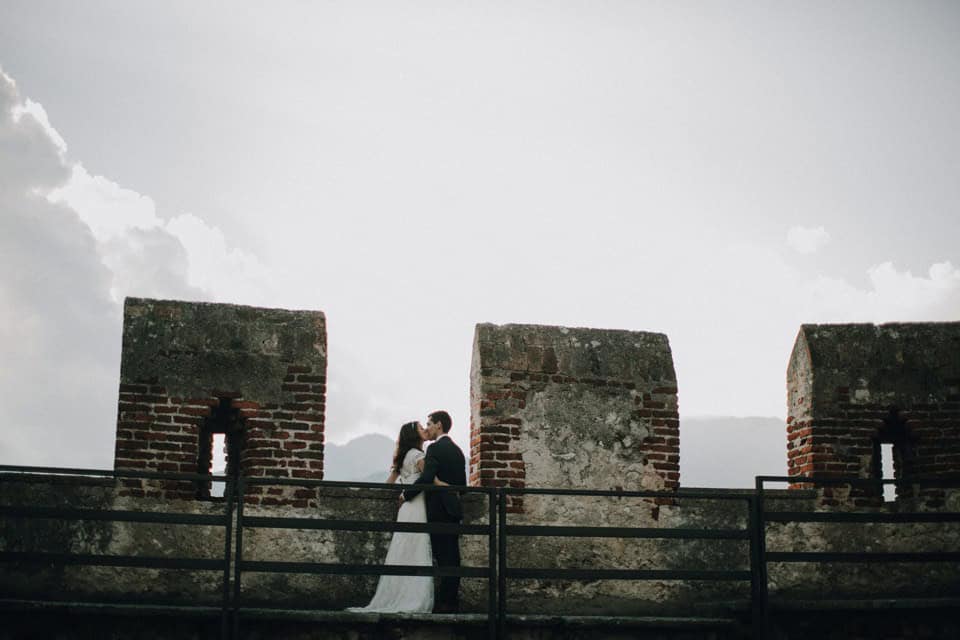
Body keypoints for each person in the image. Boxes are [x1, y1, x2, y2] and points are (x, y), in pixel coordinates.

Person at [347, 421, 435, 613]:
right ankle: (413, 597)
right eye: (421, 428)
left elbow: (388, 484)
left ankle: (397, 594)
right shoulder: (418, 455)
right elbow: (429, 477)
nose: (425, 430)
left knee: (403, 548)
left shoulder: (403, 457)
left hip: (405, 508)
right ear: (414, 435)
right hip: (417, 504)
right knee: (416, 548)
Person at [402, 410, 466, 613]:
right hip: (454, 509)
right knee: (453, 556)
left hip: (438, 509)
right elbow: (462, 486)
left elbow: (426, 477)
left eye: (429, 424)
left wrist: (406, 495)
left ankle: (445, 605)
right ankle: (451, 601)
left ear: (439, 425)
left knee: (442, 556)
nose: (428, 428)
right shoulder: (457, 450)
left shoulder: (434, 449)